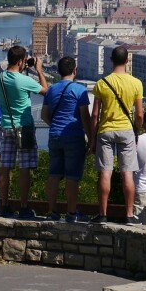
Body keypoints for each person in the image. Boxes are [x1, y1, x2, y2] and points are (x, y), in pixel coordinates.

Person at [90, 46, 144, 224]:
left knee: (105, 173)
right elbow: (139, 115)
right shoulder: (136, 83)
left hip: (105, 130)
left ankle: (103, 213)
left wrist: (92, 138)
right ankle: (129, 215)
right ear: (127, 61)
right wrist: (137, 129)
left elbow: (95, 114)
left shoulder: (102, 83)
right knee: (127, 173)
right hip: (126, 130)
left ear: (111, 60)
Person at [0, 45, 48, 219]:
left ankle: (4, 204)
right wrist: (38, 71)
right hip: (24, 128)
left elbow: (13, 77)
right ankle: (24, 206)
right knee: (24, 168)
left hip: (6, 127)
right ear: (20, 61)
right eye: (24, 60)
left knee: (5, 167)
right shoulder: (23, 80)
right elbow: (46, 90)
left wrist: (24, 67)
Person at [39, 56, 90, 222]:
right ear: (75, 71)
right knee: (72, 176)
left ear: (59, 71)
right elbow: (85, 117)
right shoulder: (80, 90)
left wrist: (55, 125)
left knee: (54, 174)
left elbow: (44, 115)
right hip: (73, 136)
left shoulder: (51, 90)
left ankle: (51, 211)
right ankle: (71, 213)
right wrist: (90, 138)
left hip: (54, 135)